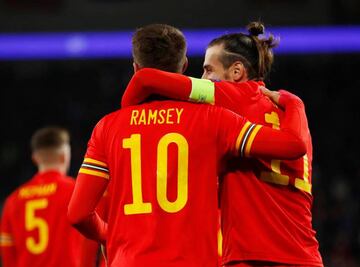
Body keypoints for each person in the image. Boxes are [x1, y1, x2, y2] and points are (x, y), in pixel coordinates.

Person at [68, 24, 308, 267]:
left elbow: (78, 213)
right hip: (270, 252)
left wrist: (109, 235)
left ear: (135, 67)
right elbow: (292, 145)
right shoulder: (214, 119)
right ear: (183, 67)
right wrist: (295, 104)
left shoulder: (108, 128)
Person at [0, 127, 85, 267]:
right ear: (64, 156)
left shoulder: (13, 201)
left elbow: (8, 256)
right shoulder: (76, 191)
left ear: (35, 158)